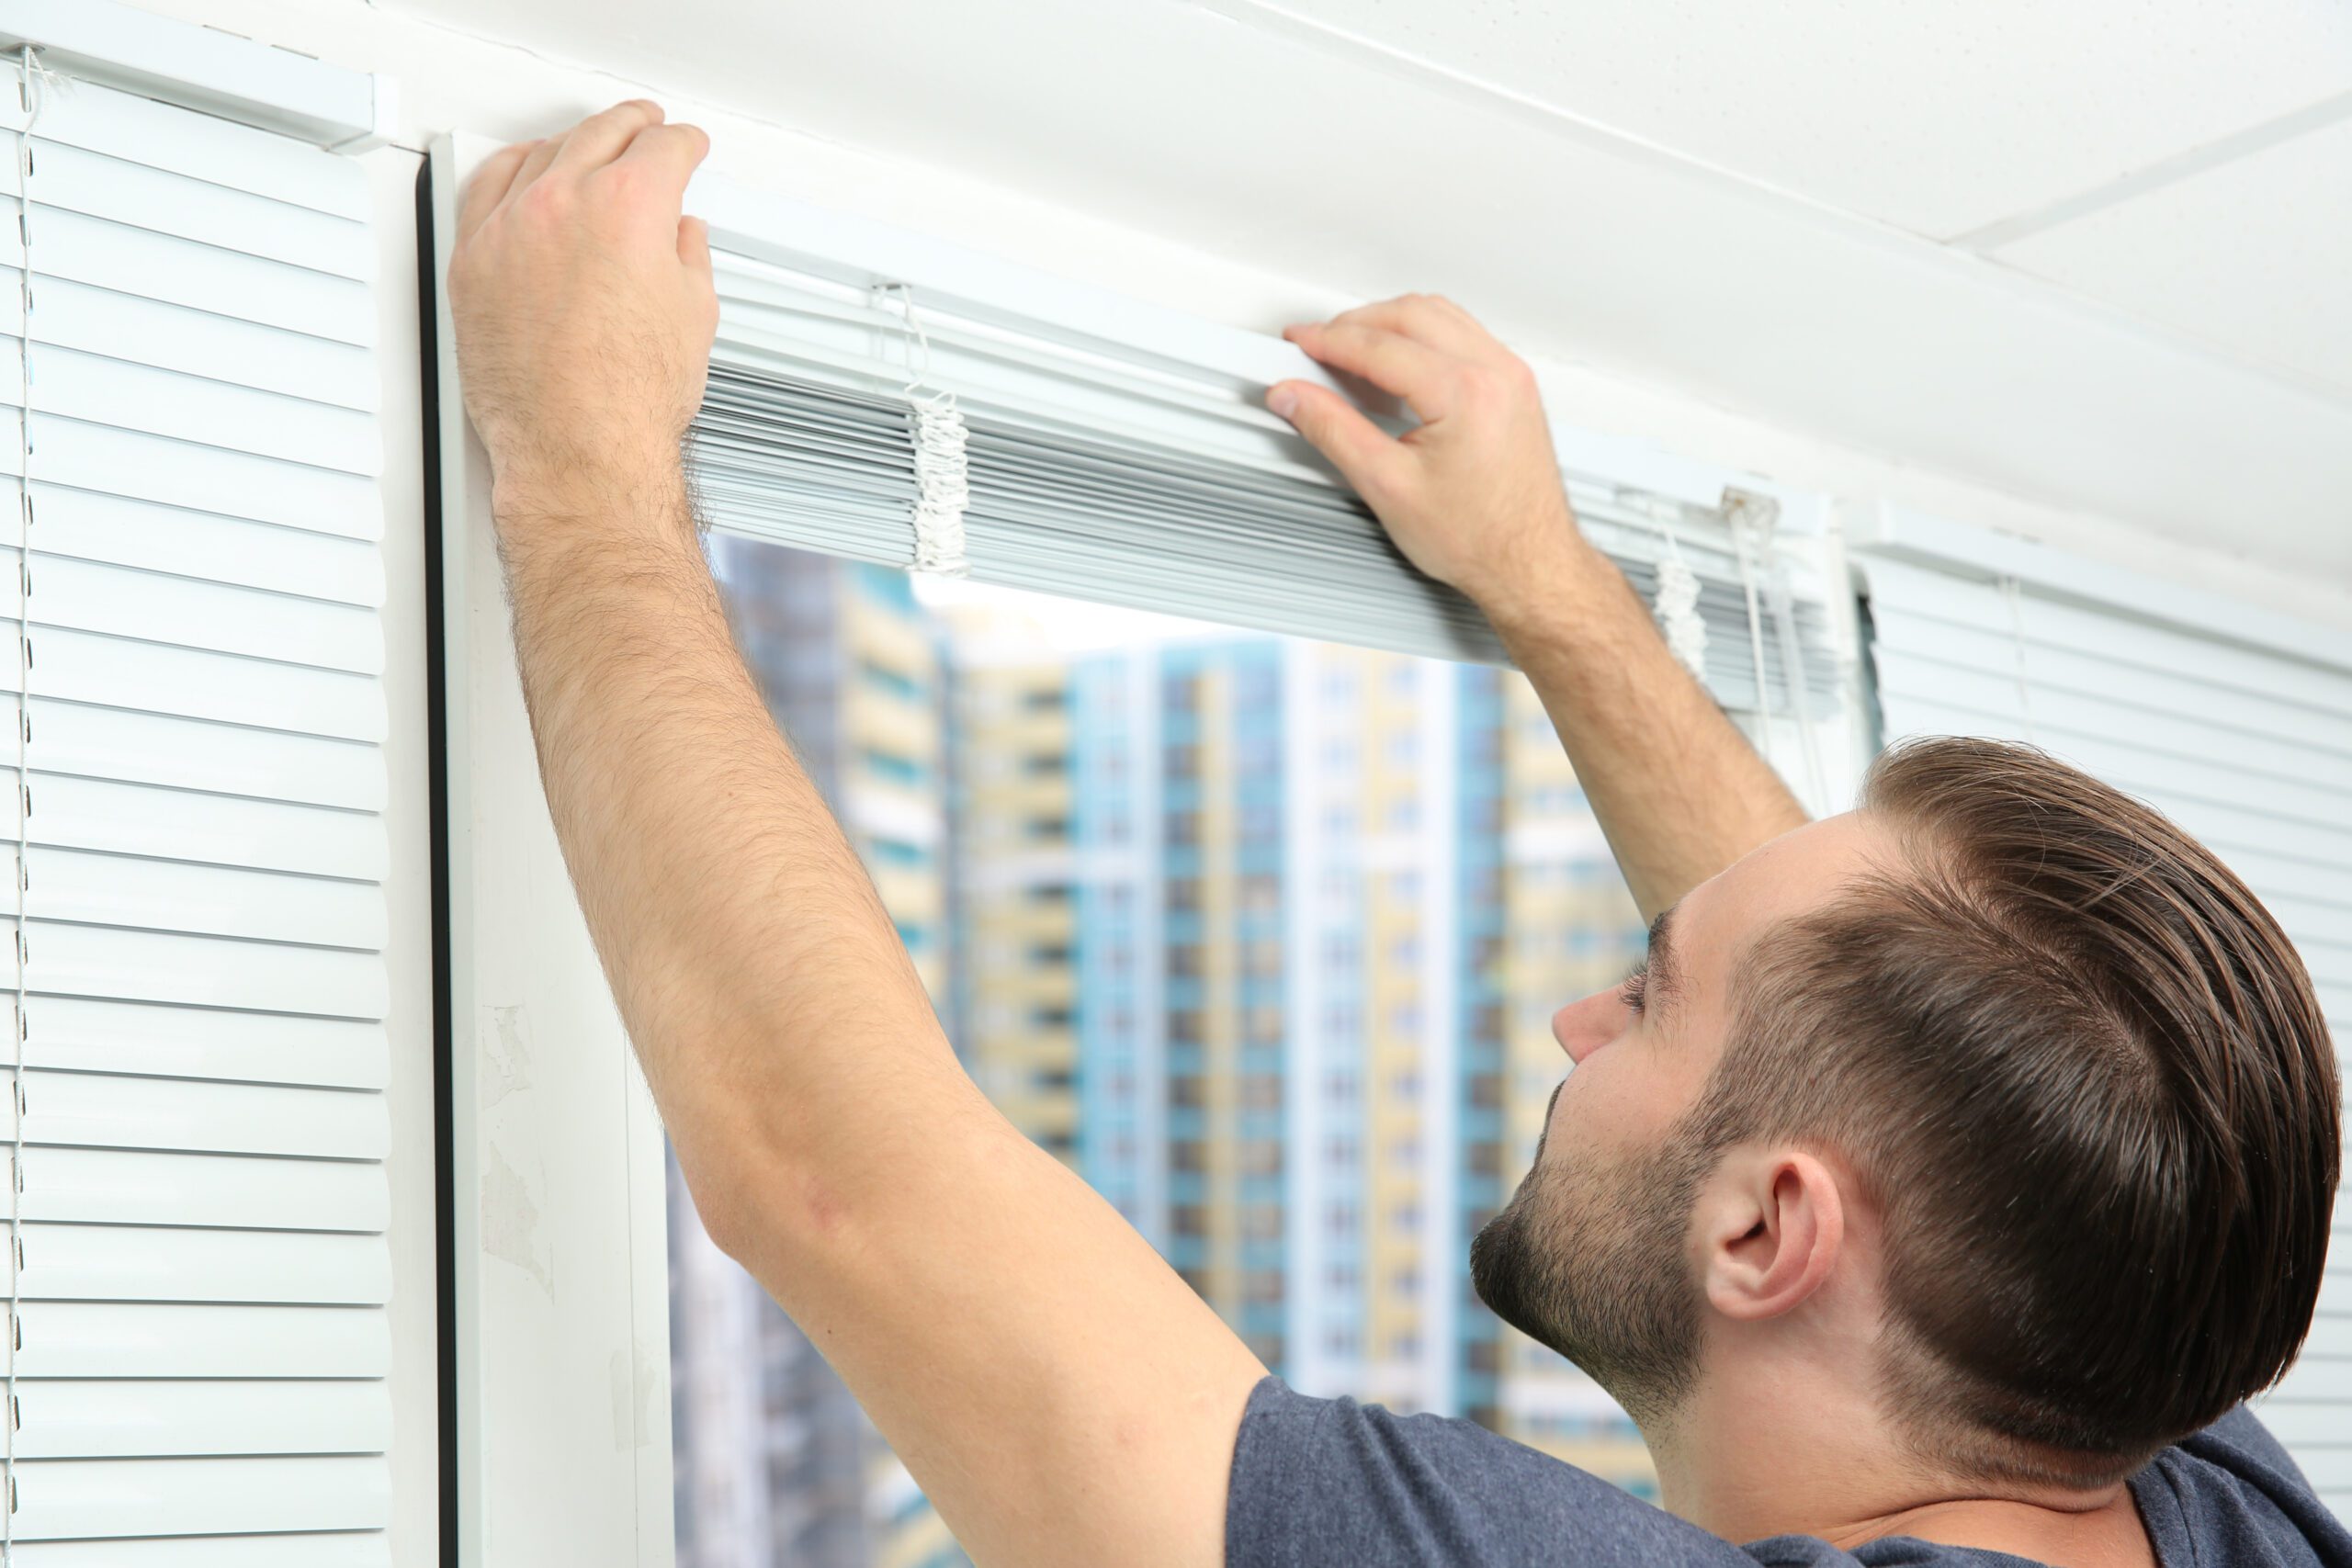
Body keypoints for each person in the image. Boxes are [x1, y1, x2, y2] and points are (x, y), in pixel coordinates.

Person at [446, 101, 2347, 1568]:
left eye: (1644, 992)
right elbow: (1888, 1026)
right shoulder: (2177, 1474)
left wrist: (580, 462)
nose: (1575, 1019)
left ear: (1770, 1225)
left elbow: (844, 1183)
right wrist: (1551, 587)